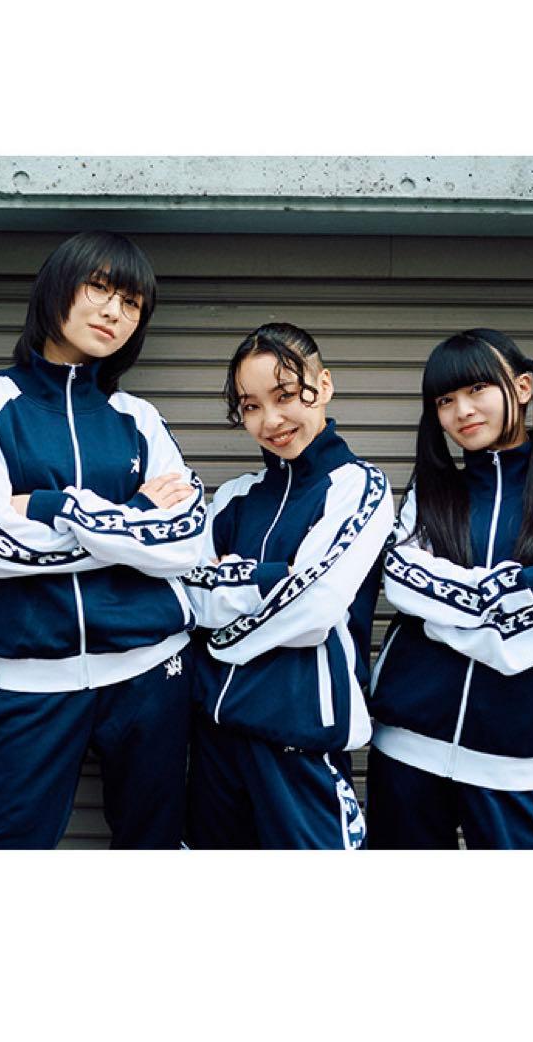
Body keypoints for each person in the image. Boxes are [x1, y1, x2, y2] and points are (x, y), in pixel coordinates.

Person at [0, 231, 206, 849]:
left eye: (132, 303)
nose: (115, 312)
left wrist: (48, 505)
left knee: (154, 850)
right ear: (57, 287)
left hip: (153, 670)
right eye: (100, 288)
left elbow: (186, 543)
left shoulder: (138, 417)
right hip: (35, 678)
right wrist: (134, 520)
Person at [365, 327, 533, 849]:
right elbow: (403, 583)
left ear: (523, 388)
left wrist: (443, 621)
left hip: (511, 761)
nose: (461, 410)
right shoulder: (431, 494)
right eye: (445, 400)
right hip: (405, 751)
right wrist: (528, 581)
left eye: (477, 389)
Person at [181, 322, 394, 849]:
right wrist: (278, 575)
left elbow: (315, 607)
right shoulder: (234, 497)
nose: (270, 420)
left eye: (284, 396)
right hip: (214, 740)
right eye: (251, 406)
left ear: (324, 385)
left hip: (302, 739)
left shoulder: (357, 486)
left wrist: (225, 616)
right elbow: (187, 595)